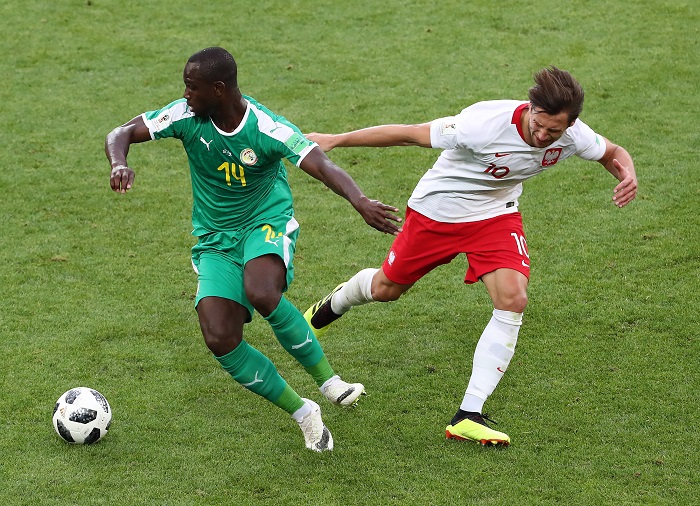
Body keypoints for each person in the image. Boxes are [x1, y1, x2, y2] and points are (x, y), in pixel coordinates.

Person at [304, 66, 638, 446]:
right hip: (439, 211)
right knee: (386, 289)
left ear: (570, 125)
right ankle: (335, 303)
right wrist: (336, 139)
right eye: (538, 125)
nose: (543, 136)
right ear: (530, 108)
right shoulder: (482, 123)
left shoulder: (575, 136)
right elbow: (410, 134)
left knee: (513, 298)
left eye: (554, 132)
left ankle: (468, 414)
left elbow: (612, 152)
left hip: (496, 214)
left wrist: (626, 174)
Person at [105, 47, 402, 452]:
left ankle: (329, 381)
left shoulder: (265, 127)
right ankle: (304, 413)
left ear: (218, 88)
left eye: (192, 88)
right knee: (219, 336)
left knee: (261, 291)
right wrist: (118, 162)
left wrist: (360, 200)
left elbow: (320, 164)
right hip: (214, 239)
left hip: (265, 222)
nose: (185, 95)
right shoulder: (185, 116)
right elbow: (119, 133)